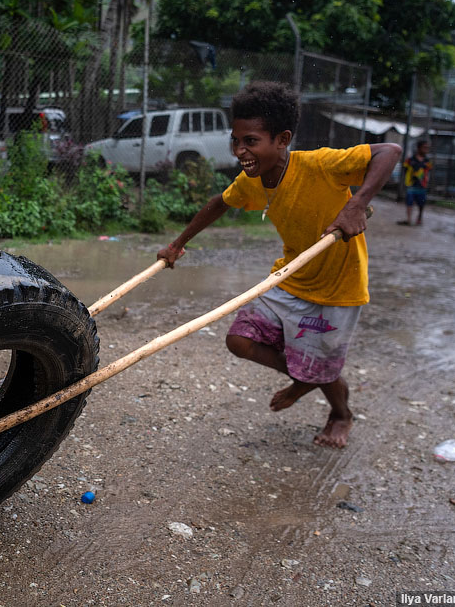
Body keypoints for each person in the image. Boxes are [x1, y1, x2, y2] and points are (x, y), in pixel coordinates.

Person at [157, 81, 400, 448]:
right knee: (239, 339)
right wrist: (177, 244)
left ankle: (341, 415)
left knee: (325, 365)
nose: (241, 151)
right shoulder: (252, 181)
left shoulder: (320, 165)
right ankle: (306, 376)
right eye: (235, 141)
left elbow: (390, 151)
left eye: (251, 141)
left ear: (282, 139)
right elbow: (220, 203)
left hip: (339, 287)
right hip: (292, 277)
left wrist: (355, 203)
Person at [398, 139, 432, 226]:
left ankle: (419, 219)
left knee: (421, 204)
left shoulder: (427, 161)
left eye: (427, 148)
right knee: (409, 202)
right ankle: (409, 219)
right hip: (411, 185)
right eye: (424, 148)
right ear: (418, 148)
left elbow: (429, 172)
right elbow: (405, 170)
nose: (426, 150)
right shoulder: (410, 160)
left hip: (422, 186)